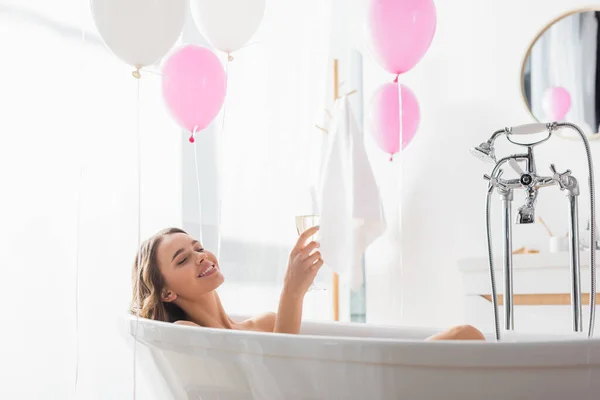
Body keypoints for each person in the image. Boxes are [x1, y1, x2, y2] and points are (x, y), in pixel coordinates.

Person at [131, 227, 485, 340]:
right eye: (183, 259)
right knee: (464, 336)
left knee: (467, 335)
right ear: (166, 292)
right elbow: (275, 379)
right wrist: (292, 289)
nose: (201, 256)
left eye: (198, 247)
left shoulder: (267, 323)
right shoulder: (184, 331)